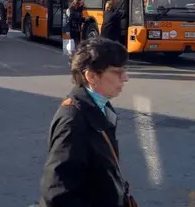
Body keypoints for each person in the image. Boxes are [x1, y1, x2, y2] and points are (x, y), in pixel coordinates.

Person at [40, 37, 132, 206]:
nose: (125, 78)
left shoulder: (102, 106)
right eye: (118, 72)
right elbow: (57, 194)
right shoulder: (72, 122)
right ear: (91, 76)